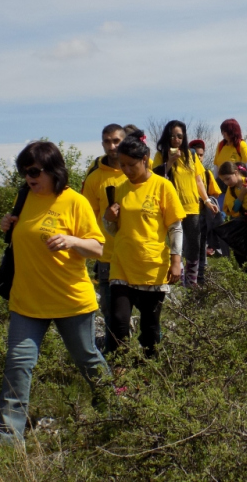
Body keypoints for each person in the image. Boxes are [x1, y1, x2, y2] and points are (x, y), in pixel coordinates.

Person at [0, 141, 108, 444]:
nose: (29, 178)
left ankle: (117, 408)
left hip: (70, 299)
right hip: (27, 301)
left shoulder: (75, 202)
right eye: (24, 172)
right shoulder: (24, 198)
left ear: (53, 170)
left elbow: (98, 248)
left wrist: (72, 241)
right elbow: (23, 239)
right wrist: (9, 226)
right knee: (18, 364)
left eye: (34, 171)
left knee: (87, 358)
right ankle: (8, 442)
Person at [103, 134, 185, 358]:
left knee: (150, 328)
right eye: (123, 165)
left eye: (131, 164)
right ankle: (120, 373)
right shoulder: (119, 189)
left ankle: (151, 370)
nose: (127, 170)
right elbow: (113, 229)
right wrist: (108, 218)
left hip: (152, 266)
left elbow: (175, 227)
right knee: (118, 322)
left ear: (145, 159)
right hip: (122, 264)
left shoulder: (163, 186)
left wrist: (176, 261)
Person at [152, 121, 218, 288]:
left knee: (195, 245)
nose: (176, 139)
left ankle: (191, 282)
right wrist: (170, 162)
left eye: (179, 136)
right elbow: (156, 177)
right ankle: (178, 280)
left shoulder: (191, 155)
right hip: (173, 206)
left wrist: (207, 200)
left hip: (192, 207)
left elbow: (198, 180)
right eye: (173, 135)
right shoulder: (161, 155)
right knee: (176, 244)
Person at [81, 124, 127, 333]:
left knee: (148, 315)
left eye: (116, 140)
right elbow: (86, 217)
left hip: (139, 254)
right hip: (107, 256)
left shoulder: (138, 170)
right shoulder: (95, 178)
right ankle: (115, 362)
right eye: (107, 141)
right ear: (102, 144)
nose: (112, 145)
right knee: (112, 317)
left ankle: (151, 362)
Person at [188, 139, 224, 283]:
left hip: (202, 216)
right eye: (195, 155)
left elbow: (215, 193)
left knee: (201, 247)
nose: (199, 158)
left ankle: (201, 278)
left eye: (201, 155)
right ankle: (189, 279)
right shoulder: (183, 174)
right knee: (189, 249)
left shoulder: (207, 174)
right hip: (186, 216)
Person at [213, 119, 247, 186]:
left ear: (232, 131)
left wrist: (245, 180)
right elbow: (216, 166)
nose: (223, 133)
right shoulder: (220, 145)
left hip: (235, 182)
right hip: (221, 183)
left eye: (225, 131)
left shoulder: (241, 144)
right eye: (222, 131)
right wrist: (215, 183)